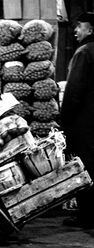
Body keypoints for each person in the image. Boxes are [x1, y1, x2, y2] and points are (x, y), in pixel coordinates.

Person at [60, 12, 94, 229]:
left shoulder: (84, 53)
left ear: (90, 30)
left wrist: (64, 120)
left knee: (86, 167)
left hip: (85, 123)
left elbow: (73, 91)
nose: (75, 30)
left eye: (79, 26)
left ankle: (88, 216)